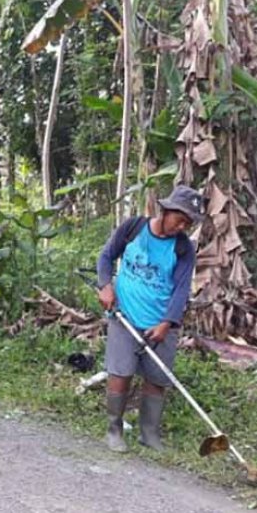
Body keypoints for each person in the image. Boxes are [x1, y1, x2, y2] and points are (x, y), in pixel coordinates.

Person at [96, 185, 203, 452]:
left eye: (188, 224)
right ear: (165, 211)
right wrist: (105, 285)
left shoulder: (183, 248)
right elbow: (106, 257)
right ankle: (114, 429)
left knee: (157, 378)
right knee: (121, 372)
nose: (182, 227)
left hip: (161, 322)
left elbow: (181, 290)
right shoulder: (133, 228)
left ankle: (149, 433)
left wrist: (166, 323)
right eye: (180, 219)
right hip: (125, 316)